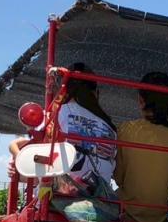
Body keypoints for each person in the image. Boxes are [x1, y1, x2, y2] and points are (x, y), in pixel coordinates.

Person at [9, 63, 117, 196]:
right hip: (102, 196)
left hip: (59, 196)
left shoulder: (55, 114)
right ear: (96, 93)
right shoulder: (111, 129)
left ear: (64, 90)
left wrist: (19, 161)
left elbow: (22, 148)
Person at [113, 72, 168, 222]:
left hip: (126, 214)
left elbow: (118, 176)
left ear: (141, 101)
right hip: (163, 218)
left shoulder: (125, 130)